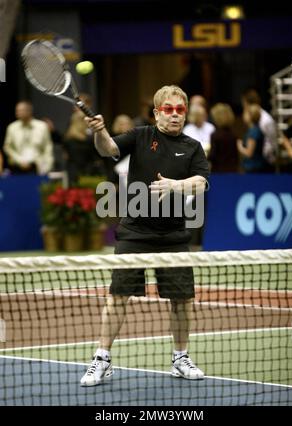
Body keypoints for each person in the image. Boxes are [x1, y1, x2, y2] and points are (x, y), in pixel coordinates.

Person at [80, 85, 209, 386]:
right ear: (156, 113)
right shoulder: (140, 136)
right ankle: (102, 358)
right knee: (118, 296)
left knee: (181, 300)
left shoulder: (193, 147)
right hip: (135, 232)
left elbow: (202, 182)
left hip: (174, 235)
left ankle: (180, 358)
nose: (175, 115)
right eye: (168, 109)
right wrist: (100, 131)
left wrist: (175, 186)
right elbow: (108, 149)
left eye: (180, 109)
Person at [3, 101, 54, 174]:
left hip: (38, 167)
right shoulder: (12, 127)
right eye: (17, 111)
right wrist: (19, 160)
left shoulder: (42, 126)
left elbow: (48, 147)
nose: (17, 113)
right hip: (17, 167)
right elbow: (7, 147)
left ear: (29, 111)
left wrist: (48, 166)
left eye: (20, 110)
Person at [241, 88, 277, 169]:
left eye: (243, 103)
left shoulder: (265, 120)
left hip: (263, 161)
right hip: (257, 160)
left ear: (246, 103)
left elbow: (271, 140)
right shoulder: (252, 126)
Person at [237, 104, 269, 173]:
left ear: (250, 116)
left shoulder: (253, 132)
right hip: (254, 166)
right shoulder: (254, 130)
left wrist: (240, 146)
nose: (243, 115)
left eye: (245, 113)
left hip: (253, 168)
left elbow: (249, 153)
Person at [208, 103, 239, 172]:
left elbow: (213, 155)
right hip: (232, 170)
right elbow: (236, 156)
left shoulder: (215, 135)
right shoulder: (233, 134)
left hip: (218, 171)